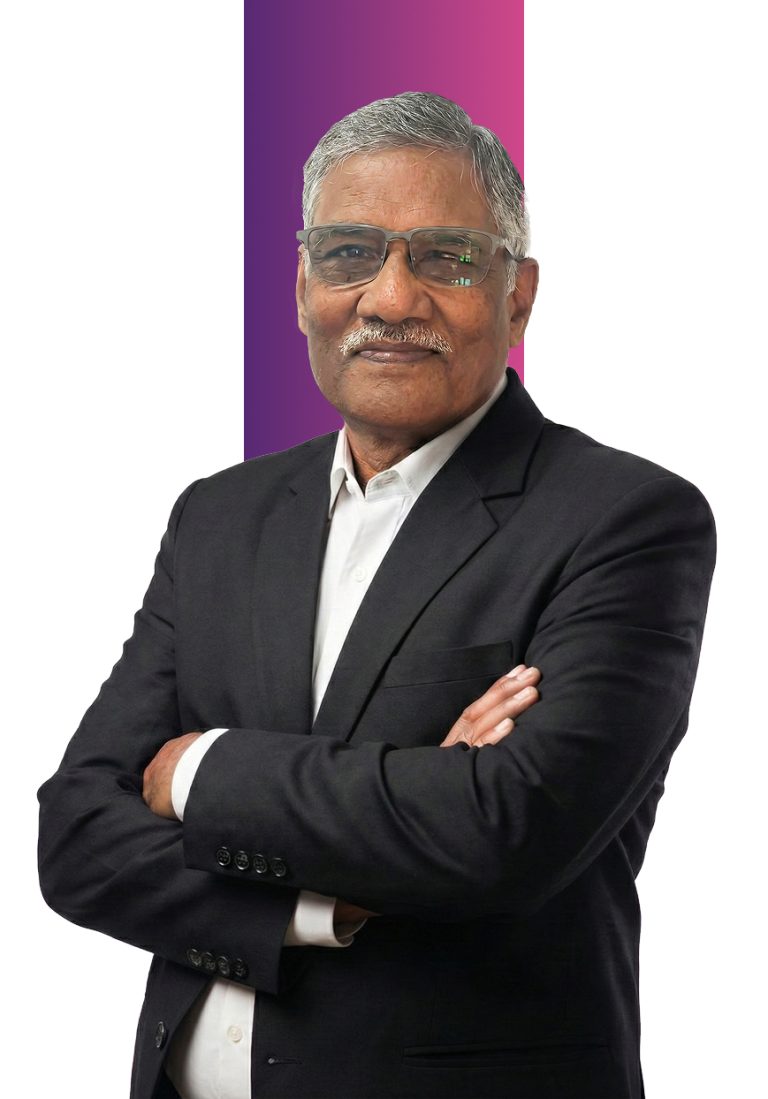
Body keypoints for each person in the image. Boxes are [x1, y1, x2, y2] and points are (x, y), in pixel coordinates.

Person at [38, 92, 716, 1099]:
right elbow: (77, 838)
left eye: (446, 257)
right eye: (350, 253)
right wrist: (330, 901)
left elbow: (504, 833)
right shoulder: (219, 515)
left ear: (518, 297)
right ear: (303, 285)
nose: (392, 298)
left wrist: (199, 770)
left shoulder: (624, 519)